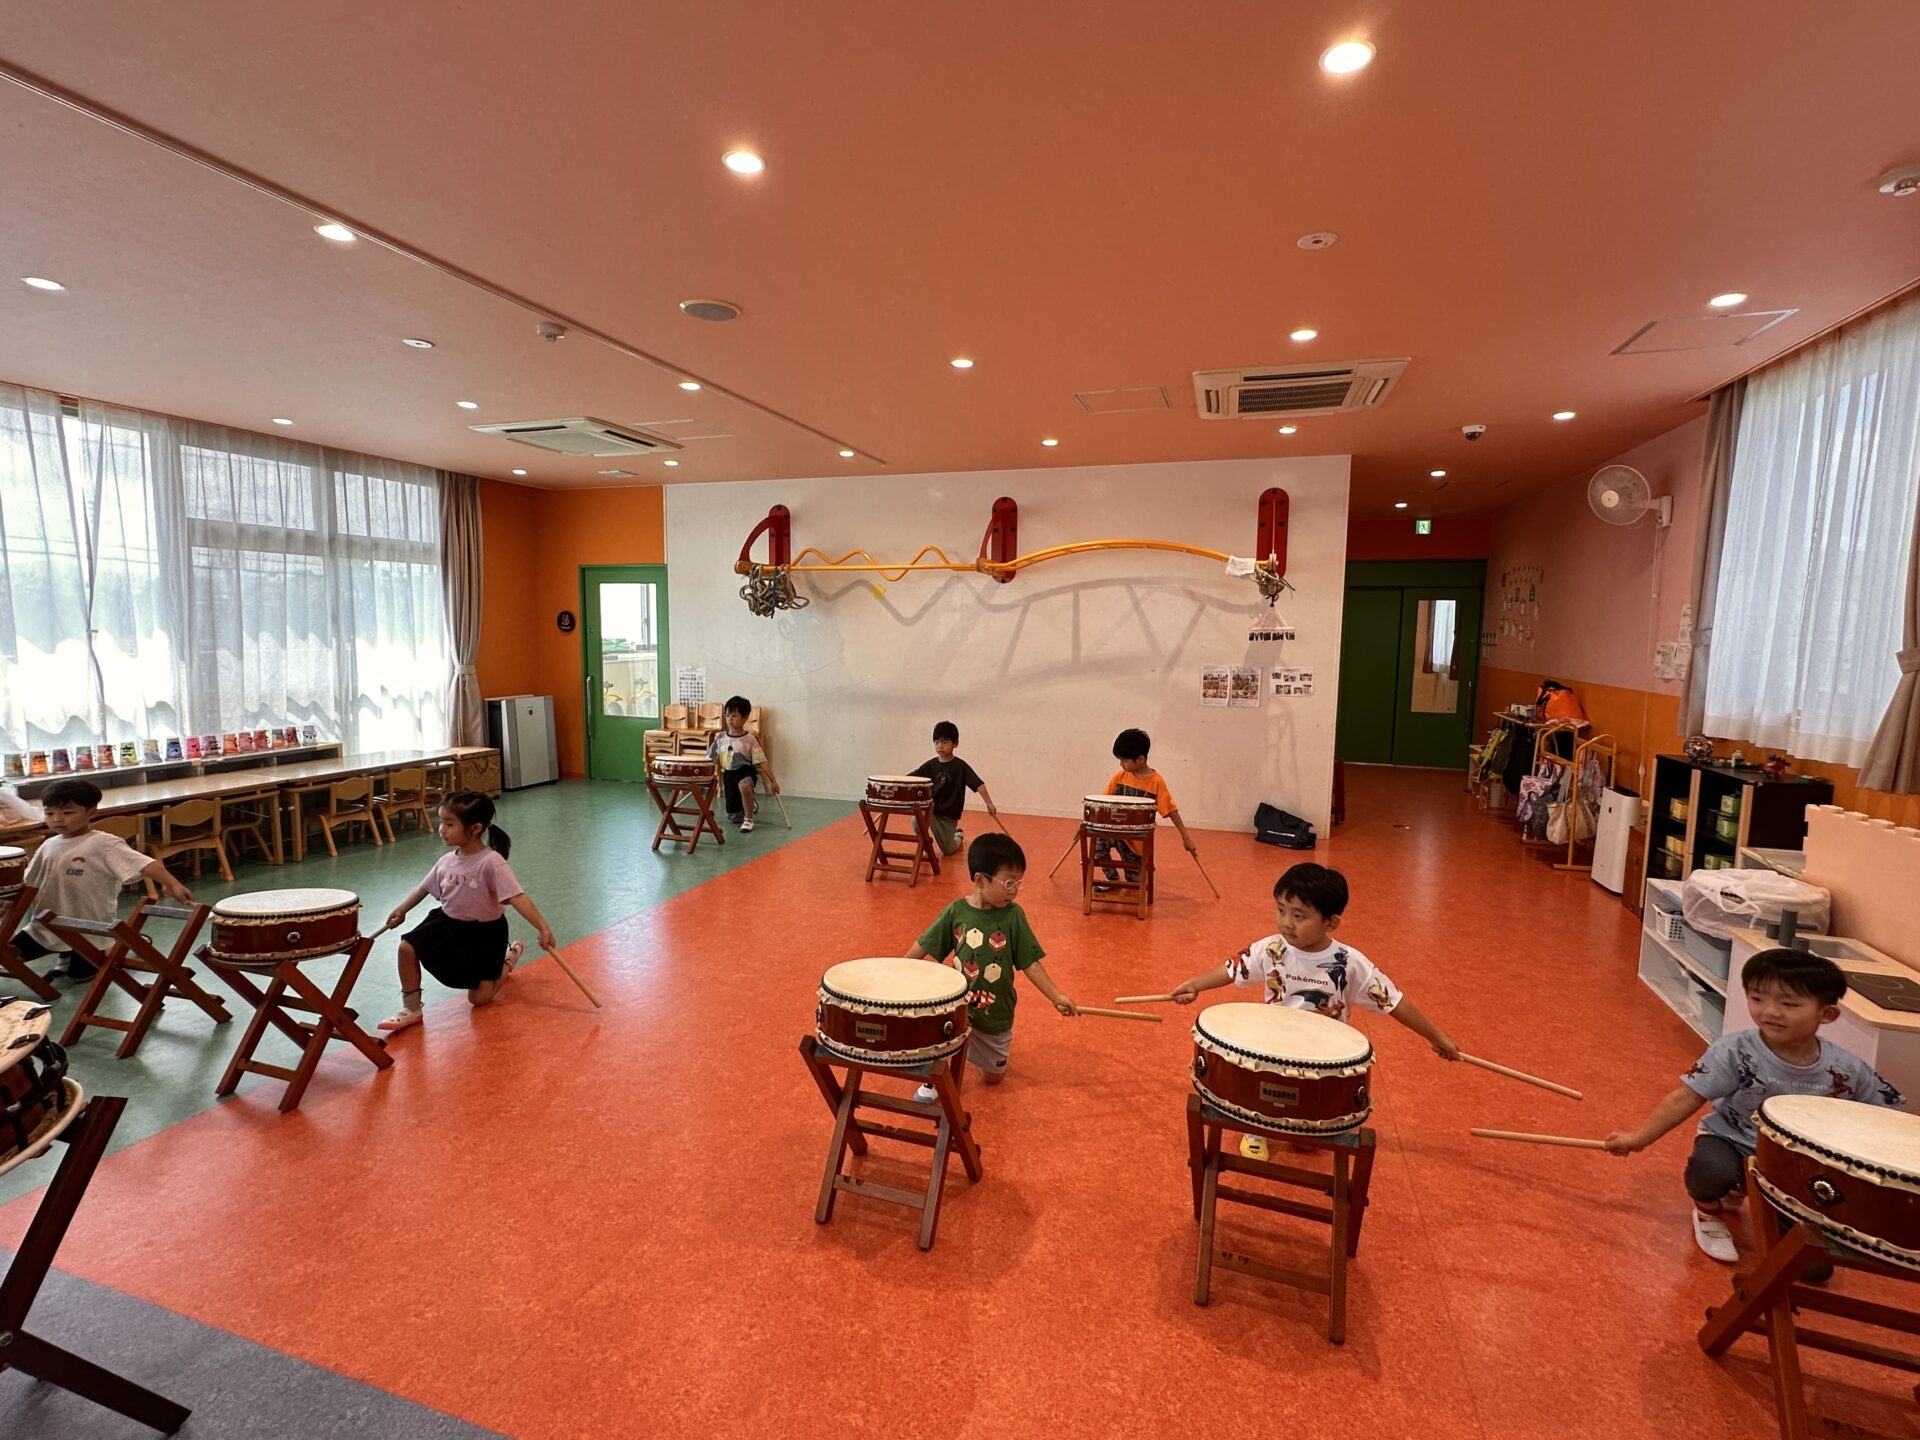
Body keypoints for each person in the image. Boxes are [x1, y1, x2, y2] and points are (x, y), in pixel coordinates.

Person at [1603, 948, 1903, 1266]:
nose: (1770, 1012)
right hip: (1732, 1140)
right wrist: (1638, 1139)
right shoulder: (1734, 1050)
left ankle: (1751, 1194)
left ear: (1827, 1015)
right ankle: (1709, 1212)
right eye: (1757, 998)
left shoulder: (1847, 1068)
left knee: (1812, 1268)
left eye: (1789, 1004)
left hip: (1797, 1164)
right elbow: (1686, 1097)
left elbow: (1886, 1116)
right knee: (1710, 1171)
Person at [1172, 862, 1460, 1159]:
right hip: (1273, 1046)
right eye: (1281, 910)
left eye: (1299, 916)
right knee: (1260, 1076)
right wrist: (1196, 985)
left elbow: (1394, 1001)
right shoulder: (1272, 948)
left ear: (1330, 923)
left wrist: (1436, 1036)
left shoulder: (1350, 962)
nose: (1286, 923)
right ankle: (1255, 1127)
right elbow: (1233, 968)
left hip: (1322, 1056)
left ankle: (1303, 1123)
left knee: (1311, 1110)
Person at [904, 832, 1076, 1100]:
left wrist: (1056, 996)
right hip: (957, 1005)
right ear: (979, 880)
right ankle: (937, 1071)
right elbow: (925, 943)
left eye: (1018, 883)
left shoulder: (1013, 915)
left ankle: (973, 1050)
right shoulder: (956, 911)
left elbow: (1030, 961)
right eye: (1008, 882)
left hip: (996, 1009)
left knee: (992, 1078)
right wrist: (897, 970)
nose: (1014, 890)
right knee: (939, 1033)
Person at [378, 791, 557, 1032]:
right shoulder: (446, 861)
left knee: (479, 999)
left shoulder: (492, 862)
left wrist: (543, 927)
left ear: (475, 829)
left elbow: (517, 896)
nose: (441, 829)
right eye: (441, 822)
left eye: (449, 824)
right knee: (406, 948)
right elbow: (424, 887)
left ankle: (506, 961)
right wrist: (402, 909)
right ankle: (411, 1008)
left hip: (485, 934)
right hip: (448, 924)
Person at [13, 777, 192, 982]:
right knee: (9, 955)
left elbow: (145, 864)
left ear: (92, 813)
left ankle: (116, 944)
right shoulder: (48, 845)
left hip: (89, 928)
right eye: (49, 813)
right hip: (46, 924)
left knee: (81, 976)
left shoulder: (104, 843)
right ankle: (67, 954)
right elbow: (28, 881)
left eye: (67, 813)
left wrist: (172, 884)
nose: (57, 819)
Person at [1097, 728, 1197, 887]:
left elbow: (1171, 811)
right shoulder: (1120, 776)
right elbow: (1102, 802)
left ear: (1141, 759)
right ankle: (1112, 879)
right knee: (1098, 846)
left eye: (1124, 760)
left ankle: (1134, 875)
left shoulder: (1156, 782)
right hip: (1116, 833)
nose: (1121, 764)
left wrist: (1186, 838)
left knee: (1135, 884)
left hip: (1137, 841)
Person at [911, 720, 1000, 857]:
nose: (940, 746)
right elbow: (911, 778)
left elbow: (979, 784)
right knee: (917, 818)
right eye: (936, 742)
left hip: (949, 816)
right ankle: (925, 847)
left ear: (956, 743)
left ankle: (958, 836)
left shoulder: (960, 766)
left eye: (945, 742)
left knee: (948, 850)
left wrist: (989, 803)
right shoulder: (929, 765)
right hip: (932, 811)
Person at [708, 695, 780, 833]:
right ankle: (746, 805)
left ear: (745, 717)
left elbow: (762, 761)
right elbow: (710, 758)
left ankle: (748, 819)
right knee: (734, 817)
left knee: (744, 785)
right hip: (729, 774)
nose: (730, 719)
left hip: (745, 770)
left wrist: (773, 781)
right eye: (727, 715)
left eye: (734, 716)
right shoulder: (720, 737)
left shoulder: (750, 739)